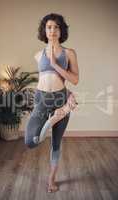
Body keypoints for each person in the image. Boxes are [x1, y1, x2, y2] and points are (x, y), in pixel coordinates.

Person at [25, 13, 79, 193]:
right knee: (31, 141)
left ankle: (51, 180)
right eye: (49, 27)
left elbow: (75, 79)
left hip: (60, 99)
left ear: (61, 30)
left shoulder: (69, 53)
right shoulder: (38, 54)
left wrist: (56, 64)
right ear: (44, 30)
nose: (53, 30)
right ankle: (54, 118)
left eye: (56, 27)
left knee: (56, 143)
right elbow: (44, 79)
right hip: (42, 99)